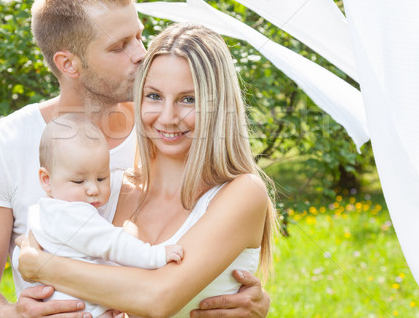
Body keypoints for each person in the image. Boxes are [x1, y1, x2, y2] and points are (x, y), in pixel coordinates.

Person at [0, 0, 271, 318]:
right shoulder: (7, 145)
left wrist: (37, 264)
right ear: (68, 63)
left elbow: (171, 285)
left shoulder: (163, 133)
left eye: (139, 36)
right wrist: (14, 315)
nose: (140, 53)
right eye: (119, 46)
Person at [17, 22, 279, 318]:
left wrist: (42, 266)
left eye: (188, 99)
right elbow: (38, 240)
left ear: (217, 106)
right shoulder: (109, 189)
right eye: (154, 96)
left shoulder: (241, 193)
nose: (167, 117)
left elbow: (158, 297)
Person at [16, 113, 184, 317]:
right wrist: (155, 255)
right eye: (79, 182)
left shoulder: (41, 212)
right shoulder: (73, 214)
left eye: (102, 178)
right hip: (84, 309)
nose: (93, 189)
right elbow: (113, 244)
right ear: (46, 179)